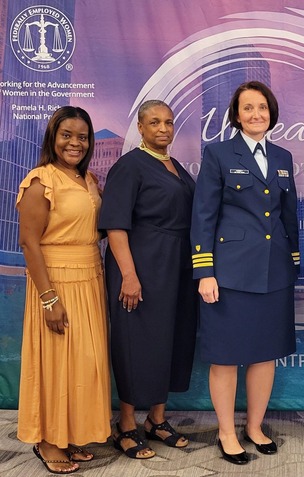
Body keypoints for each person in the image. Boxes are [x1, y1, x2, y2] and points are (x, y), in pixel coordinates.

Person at [191, 81, 299, 465]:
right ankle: (225, 431)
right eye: (248, 108)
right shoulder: (218, 153)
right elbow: (203, 214)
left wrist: (294, 261)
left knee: (265, 354)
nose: (256, 114)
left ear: (271, 113)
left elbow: (289, 215)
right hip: (229, 273)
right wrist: (205, 271)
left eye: (263, 108)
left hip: (274, 271)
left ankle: (254, 427)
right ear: (236, 115)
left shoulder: (284, 156)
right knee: (225, 355)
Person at [99, 100, 198, 459]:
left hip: (176, 266)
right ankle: (125, 425)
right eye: (154, 122)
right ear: (140, 127)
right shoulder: (129, 166)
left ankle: (156, 420)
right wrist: (128, 274)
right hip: (140, 265)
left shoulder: (175, 167)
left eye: (169, 122)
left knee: (169, 340)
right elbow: (115, 224)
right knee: (136, 341)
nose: (163, 129)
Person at [17, 106, 111, 474]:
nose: (75, 142)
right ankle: (48, 441)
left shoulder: (88, 180)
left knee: (82, 363)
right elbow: (29, 242)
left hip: (90, 276)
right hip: (56, 280)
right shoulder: (41, 180)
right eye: (66, 135)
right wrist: (48, 297)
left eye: (82, 137)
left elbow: (96, 228)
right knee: (56, 362)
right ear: (53, 138)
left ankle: (68, 433)